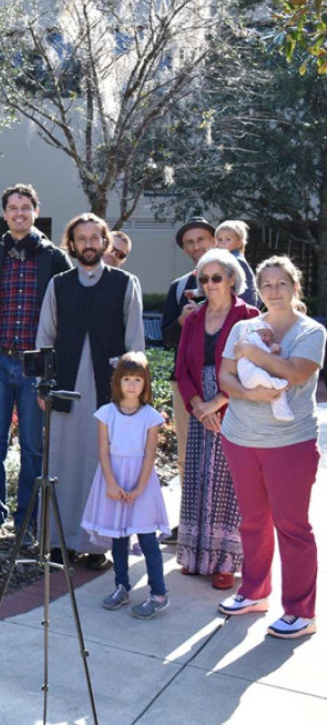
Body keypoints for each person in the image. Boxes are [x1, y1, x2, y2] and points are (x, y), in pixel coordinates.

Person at [217, 256, 323, 639]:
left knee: (292, 527)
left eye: (282, 284)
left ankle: (300, 612)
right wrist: (250, 393)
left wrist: (252, 352)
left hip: (289, 443)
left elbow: (295, 372)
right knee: (253, 522)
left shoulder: (311, 331)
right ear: (258, 290)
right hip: (240, 438)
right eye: (267, 285)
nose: (274, 291)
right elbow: (224, 375)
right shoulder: (245, 327)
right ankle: (254, 591)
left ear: (295, 287)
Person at [37, 213, 145, 568]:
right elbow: (45, 338)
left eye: (94, 238)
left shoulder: (125, 283)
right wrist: (44, 384)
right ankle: (58, 542)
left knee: (102, 466)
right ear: (71, 243)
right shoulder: (59, 284)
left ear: (104, 242)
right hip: (65, 390)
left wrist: (133, 394)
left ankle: (97, 545)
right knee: (62, 463)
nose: (87, 244)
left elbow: (135, 344)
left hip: (109, 391)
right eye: (81, 238)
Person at [0, 184, 72, 538]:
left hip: (36, 366)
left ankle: (27, 520)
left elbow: (65, 317)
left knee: (33, 445)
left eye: (25, 207)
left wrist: (55, 369)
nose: (19, 213)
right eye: (12, 208)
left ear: (35, 211)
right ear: (4, 214)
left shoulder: (54, 258)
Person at [174, 248, 257, 590]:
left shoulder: (248, 316)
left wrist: (219, 403)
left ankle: (226, 562)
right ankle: (196, 557)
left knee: (228, 485)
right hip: (198, 404)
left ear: (232, 280)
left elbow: (253, 369)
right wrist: (197, 405)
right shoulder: (193, 318)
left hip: (234, 405)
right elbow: (182, 368)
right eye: (203, 278)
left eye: (216, 278)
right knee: (197, 477)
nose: (209, 284)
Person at [82, 352, 171, 619]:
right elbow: (103, 451)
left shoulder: (151, 417)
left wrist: (139, 488)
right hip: (113, 481)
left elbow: (149, 456)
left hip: (140, 483)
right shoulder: (106, 414)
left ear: (145, 384)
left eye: (137, 379)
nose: (132, 385)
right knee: (119, 538)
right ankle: (121, 586)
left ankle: (159, 593)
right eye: (127, 379)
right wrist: (111, 483)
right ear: (118, 381)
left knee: (146, 539)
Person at [162, 217, 216, 482]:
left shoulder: (235, 280)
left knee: (226, 452)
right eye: (190, 243)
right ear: (184, 249)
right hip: (185, 381)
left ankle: (221, 521)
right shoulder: (179, 286)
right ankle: (188, 519)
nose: (196, 247)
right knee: (186, 452)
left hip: (226, 381)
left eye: (201, 240)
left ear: (214, 241)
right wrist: (182, 321)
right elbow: (166, 337)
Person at [235, 320, 292, 420]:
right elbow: (262, 354)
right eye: (264, 334)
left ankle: (281, 412)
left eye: (270, 338)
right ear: (254, 331)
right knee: (260, 375)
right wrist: (272, 350)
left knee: (277, 392)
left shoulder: (258, 341)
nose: (267, 339)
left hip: (255, 379)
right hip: (249, 374)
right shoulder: (251, 338)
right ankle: (276, 387)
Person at [215, 220, 258, 307]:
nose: (223, 243)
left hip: (244, 304)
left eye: (228, 239)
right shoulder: (225, 259)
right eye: (220, 239)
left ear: (239, 243)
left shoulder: (236, 260)